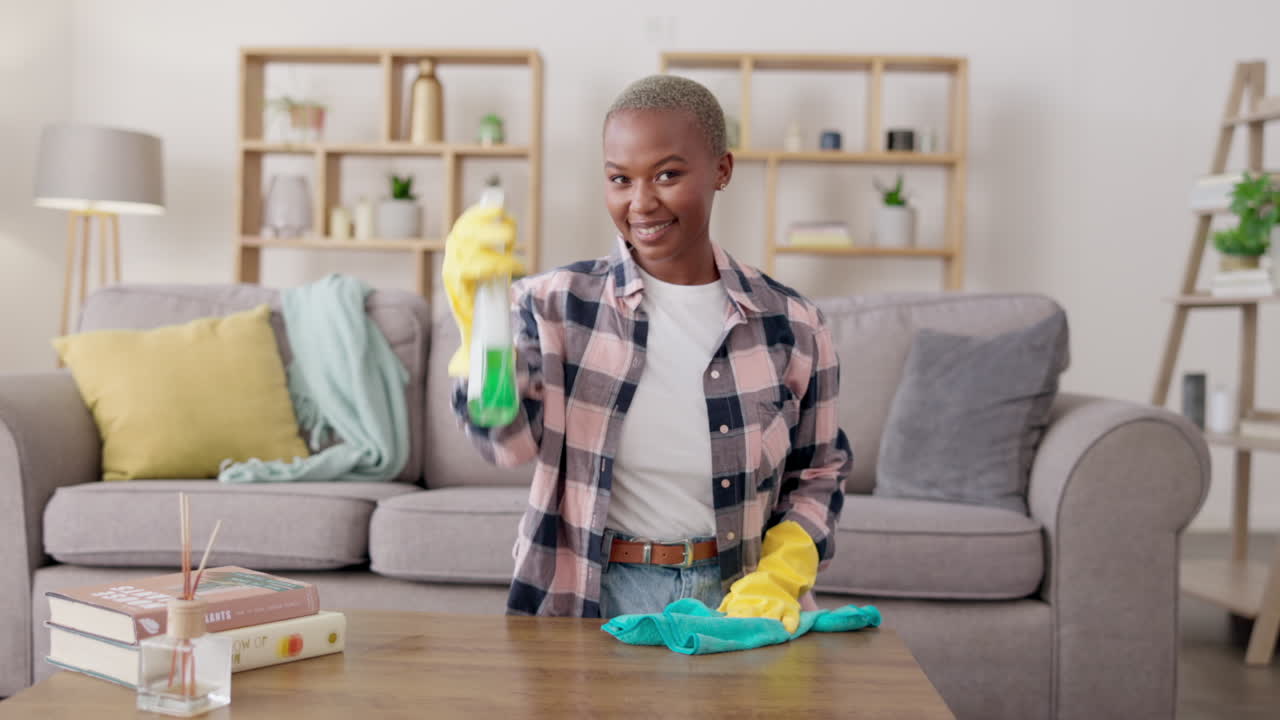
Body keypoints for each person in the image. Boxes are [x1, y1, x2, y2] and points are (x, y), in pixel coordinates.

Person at [443, 74, 851, 632]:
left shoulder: (794, 325)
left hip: (737, 600)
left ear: (722, 170)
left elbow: (819, 472)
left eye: (667, 174)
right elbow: (506, 445)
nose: (640, 202)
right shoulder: (554, 304)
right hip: (591, 596)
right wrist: (481, 332)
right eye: (620, 178)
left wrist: (781, 573)